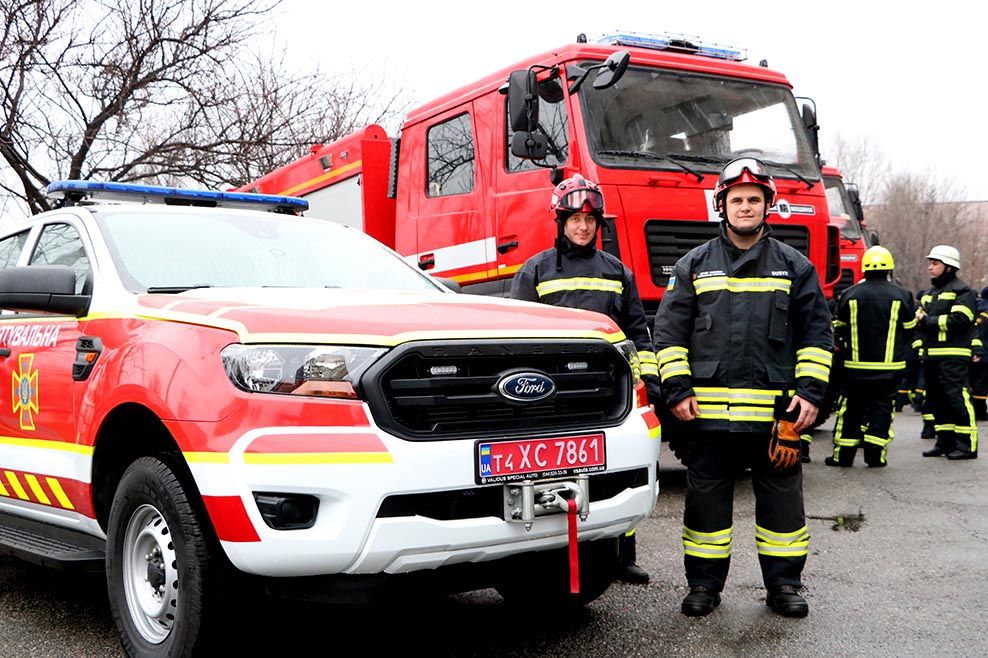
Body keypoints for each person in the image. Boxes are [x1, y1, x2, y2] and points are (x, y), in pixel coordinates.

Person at [652, 158, 832, 618]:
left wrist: (810, 392)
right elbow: (668, 334)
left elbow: (817, 334)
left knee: (782, 503)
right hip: (707, 417)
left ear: (768, 206)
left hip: (777, 416)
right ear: (722, 206)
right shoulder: (693, 265)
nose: (746, 207)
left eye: (754, 199)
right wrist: (676, 388)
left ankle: (785, 586)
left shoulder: (795, 267)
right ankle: (705, 587)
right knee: (706, 506)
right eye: (738, 200)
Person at [510, 173, 659, 584]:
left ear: (599, 225)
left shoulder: (617, 271)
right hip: (549, 396)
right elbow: (516, 335)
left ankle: (622, 555)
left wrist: (649, 383)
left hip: (605, 394)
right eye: (575, 218)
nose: (582, 226)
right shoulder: (536, 270)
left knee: (614, 469)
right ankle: (541, 554)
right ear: (561, 221)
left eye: (590, 220)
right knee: (548, 474)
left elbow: (636, 332)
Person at [826, 246, 916, 467]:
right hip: (889, 368)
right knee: (882, 410)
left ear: (864, 268)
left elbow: (839, 328)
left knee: (850, 410)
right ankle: (875, 457)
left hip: (855, 367)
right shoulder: (902, 295)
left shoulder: (850, 294)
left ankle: (843, 457)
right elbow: (910, 329)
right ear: (889, 269)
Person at [916, 245, 979, 460]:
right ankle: (944, 442)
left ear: (949, 268)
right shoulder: (929, 293)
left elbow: (960, 320)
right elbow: (919, 319)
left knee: (956, 397)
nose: (930, 267)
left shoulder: (963, 291)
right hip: (932, 355)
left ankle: (966, 445)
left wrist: (929, 321)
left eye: (935, 263)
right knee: (935, 400)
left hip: (953, 354)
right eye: (930, 263)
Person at [969, 287, 988, 421]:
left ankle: (975, 410)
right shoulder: (985, 314)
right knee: (981, 384)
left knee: (973, 383)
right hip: (985, 354)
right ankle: (980, 412)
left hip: (971, 352)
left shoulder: (973, 310)